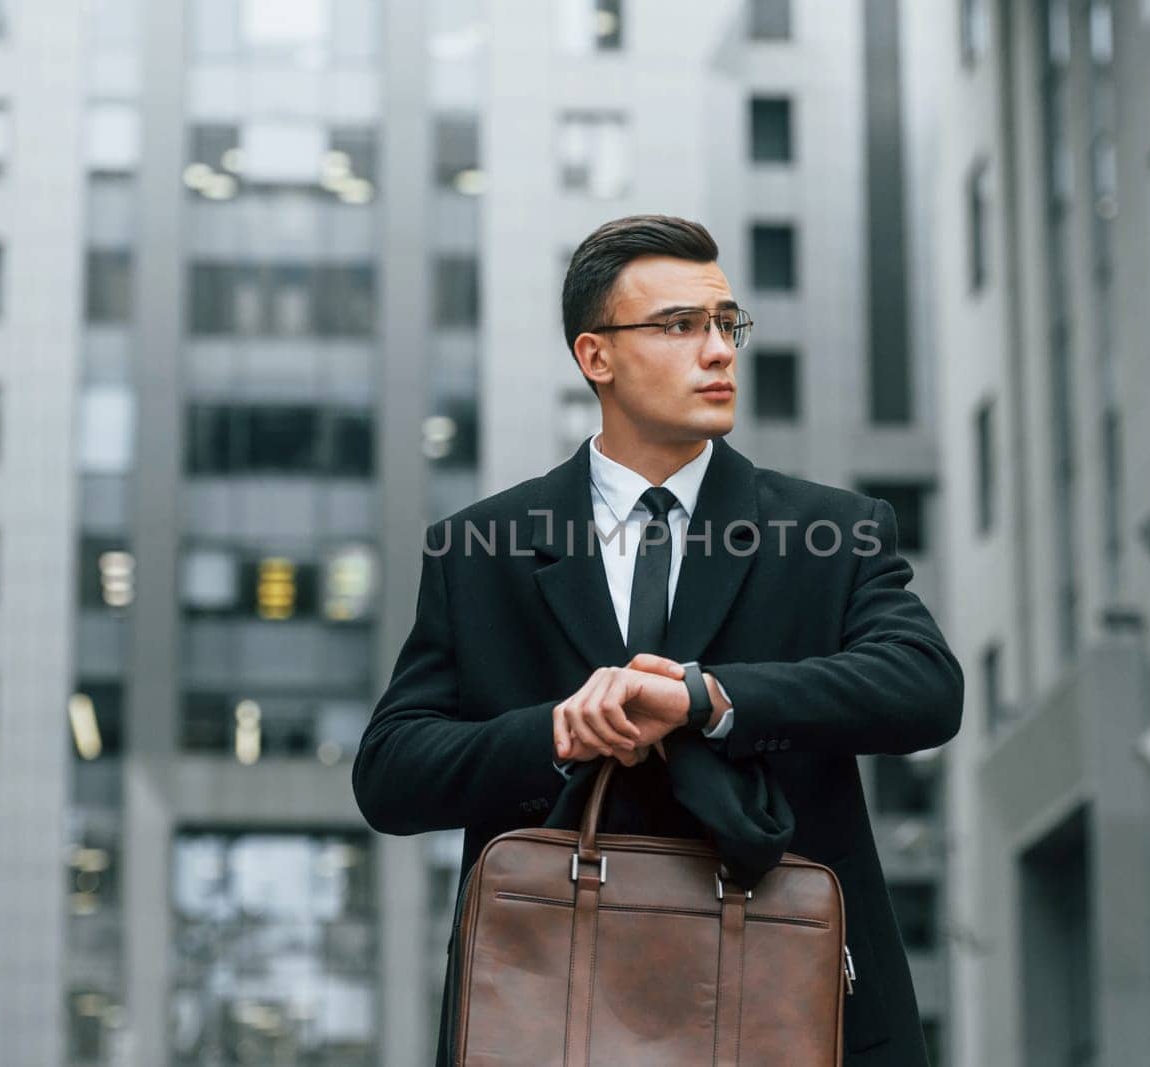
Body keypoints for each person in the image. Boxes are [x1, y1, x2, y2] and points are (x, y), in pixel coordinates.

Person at [353, 214, 963, 1065]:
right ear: (595, 356)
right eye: (680, 326)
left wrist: (707, 699)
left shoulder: (834, 531)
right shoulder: (479, 548)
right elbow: (389, 774)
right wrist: (560, 731)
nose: (718, 351)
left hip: (790, 1007)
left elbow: (925, 687)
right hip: (550, 1016)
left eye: (726, 323)